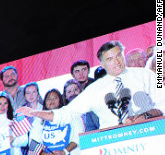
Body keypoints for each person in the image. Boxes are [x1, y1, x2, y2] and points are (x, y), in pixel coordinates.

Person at [17, 41, 165, 130]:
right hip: (115, 147)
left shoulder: (146, 76)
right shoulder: (95, 89)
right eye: (110, 59)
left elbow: (162, 104)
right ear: (103, 64)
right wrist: (35, 113)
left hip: (149, 137)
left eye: (119, 55)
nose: (117, 61)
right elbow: (65, 114)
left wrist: (144, 116)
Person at [30, 89, 83, 155]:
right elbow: (33, 144)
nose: (52, 101)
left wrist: (64, 151)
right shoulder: (38, 119)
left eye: (55, 98)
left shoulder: (71, 115)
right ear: (45, 102)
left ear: (60, 100)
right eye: (49, 98)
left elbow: (78, 136)